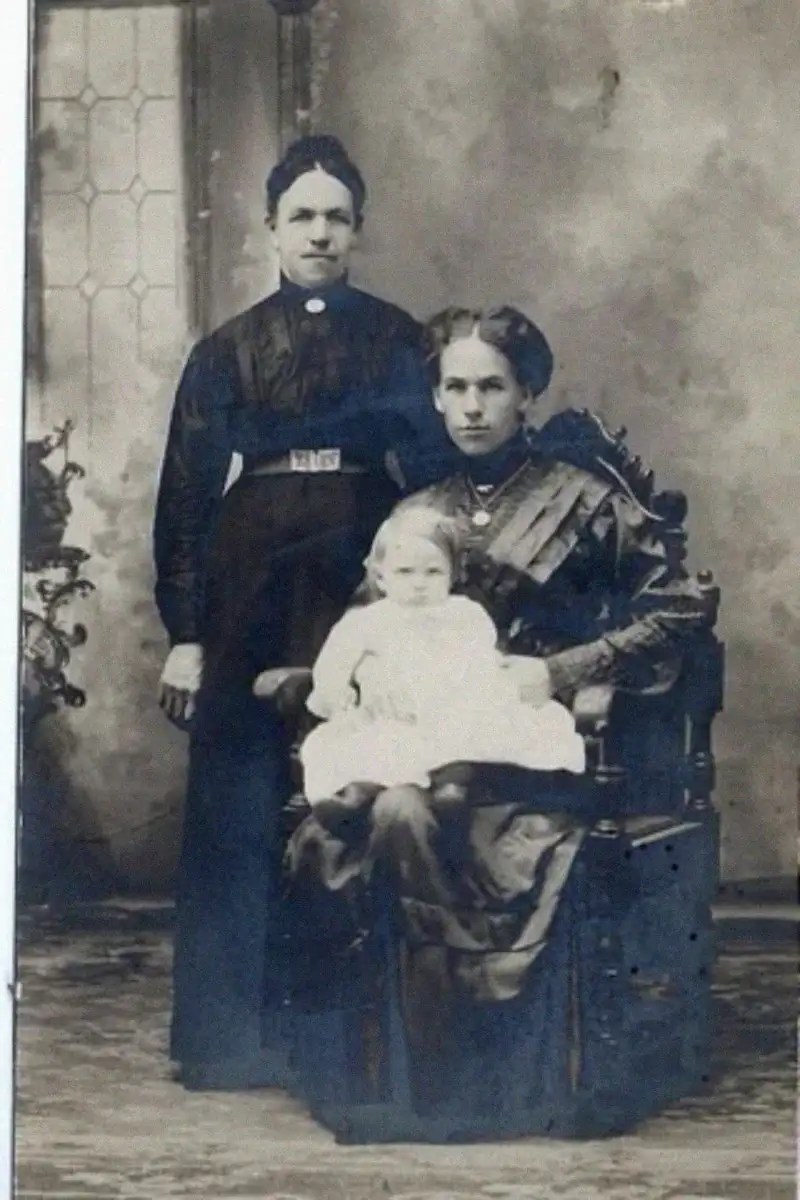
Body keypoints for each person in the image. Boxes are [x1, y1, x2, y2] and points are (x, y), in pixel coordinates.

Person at [283, 304, 714, 1140]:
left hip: (524, 751)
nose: (473, 405)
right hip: (417, 750)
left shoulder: (586, 502)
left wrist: (560, 671)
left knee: (430, 818)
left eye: (492, 386)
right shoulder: (417, 511)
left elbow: (680, 608)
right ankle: (407, 1077)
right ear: (436, 399)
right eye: (455, 387)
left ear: (528, 395)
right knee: (367, 817)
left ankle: (470, 1082)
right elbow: (366, 630)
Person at [152, 135, 459, 1092]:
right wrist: (190, 635)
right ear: (272, 229)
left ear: (358, 230)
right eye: (303, 217)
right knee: (243, 787)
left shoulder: (403, 339)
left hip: (363, 562)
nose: (320, 234)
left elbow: (441, 482)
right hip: (251, 570)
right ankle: (227, 1037)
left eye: (337, 217)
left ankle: (336, 1033)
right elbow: (188, 501)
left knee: (356, 771)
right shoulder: (227, 351)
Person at [299, 504, 584, 808]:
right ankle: (353, 796)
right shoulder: (366, 622)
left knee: (471, 739)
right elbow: (332, 666)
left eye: (433, 572)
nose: (419, 584)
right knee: (364, 750)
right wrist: (340, 699)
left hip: (454, 710)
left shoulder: (465, 614)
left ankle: (454, 785)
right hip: (394, 716)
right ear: (381, 577)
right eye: (405, 572)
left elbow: (482, 660)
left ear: (452, 575)